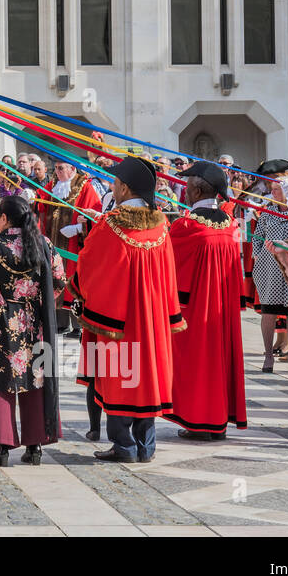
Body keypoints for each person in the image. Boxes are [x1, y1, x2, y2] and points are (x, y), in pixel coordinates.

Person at [72, 157, 182, 463]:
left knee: (120, 376)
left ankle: (124, 445)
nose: (112, 186)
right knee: (147, 375)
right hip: (153, 317)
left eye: (115, 183)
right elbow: (169, 273)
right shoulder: (161, 223)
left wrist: (75, 290)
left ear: (123, 187)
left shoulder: (110, 224)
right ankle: (146, 446)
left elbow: (90, 265)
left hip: (119, 317)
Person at [0, 194, 66, 466]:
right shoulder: (44, 245)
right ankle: (35, 445)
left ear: (3, 218)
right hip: (33, 320)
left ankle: (1, 446)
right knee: (35, 380)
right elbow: (58, 283)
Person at [165, 162, 248, 441]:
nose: (184, 191)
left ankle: (199, 420)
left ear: (198, 189)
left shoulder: (186, 226)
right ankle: (218, 419)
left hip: (197, 307)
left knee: (197, 362)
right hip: (223, 306)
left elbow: (169, 269)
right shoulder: (230, 224)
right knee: (219, 361)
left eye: (187, 186)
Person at [248, 162, 288, 372]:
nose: (273, 192)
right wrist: (258, 255)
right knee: (268, 313)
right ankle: (268, 356)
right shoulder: (268, 212)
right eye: (273, 189)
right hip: (268, 268)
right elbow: (257, 237)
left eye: (278, 189)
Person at [43, 160, 102, 339]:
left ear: (72, 169)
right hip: (55, 241)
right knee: (56, 279)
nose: (57, 172)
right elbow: (41, 200)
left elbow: (94, 212)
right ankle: (61, 324)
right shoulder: (53, 184)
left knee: (74, 282)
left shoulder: (85, 187)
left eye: (61, 168)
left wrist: (78, 228)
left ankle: (77, 326)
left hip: (74, 244)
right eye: (56, 169)